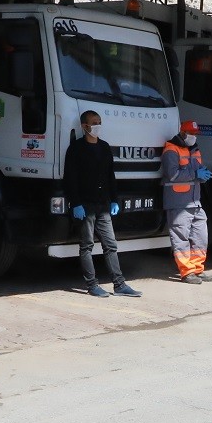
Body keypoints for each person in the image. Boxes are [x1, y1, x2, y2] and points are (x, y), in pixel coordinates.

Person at [63, 109, 140, 297]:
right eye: (94, 123)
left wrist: (114, 200)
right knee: (86, 246)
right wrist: (76, 203)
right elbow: (70, 178)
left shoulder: (104, 147)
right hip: (85, 205)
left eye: (99, 122)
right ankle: (92, 285)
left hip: (103, 204)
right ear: (84, 126)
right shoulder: (76, 149)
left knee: (111, 245)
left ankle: (119, 285)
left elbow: (110, 176)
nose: (97, 126)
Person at [162, 119, 212, 282]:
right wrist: (196, 174)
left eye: (195, 134)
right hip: (178, 202)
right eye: (191, 133)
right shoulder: (171, 149)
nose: (194, 137)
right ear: (183, 133)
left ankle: (197, 268)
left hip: (195, 201)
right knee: (181, 238)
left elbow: (199, 170)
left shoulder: (194, 150)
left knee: (201, 237)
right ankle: (186, 272)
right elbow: (173, 175)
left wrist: (203, 174)